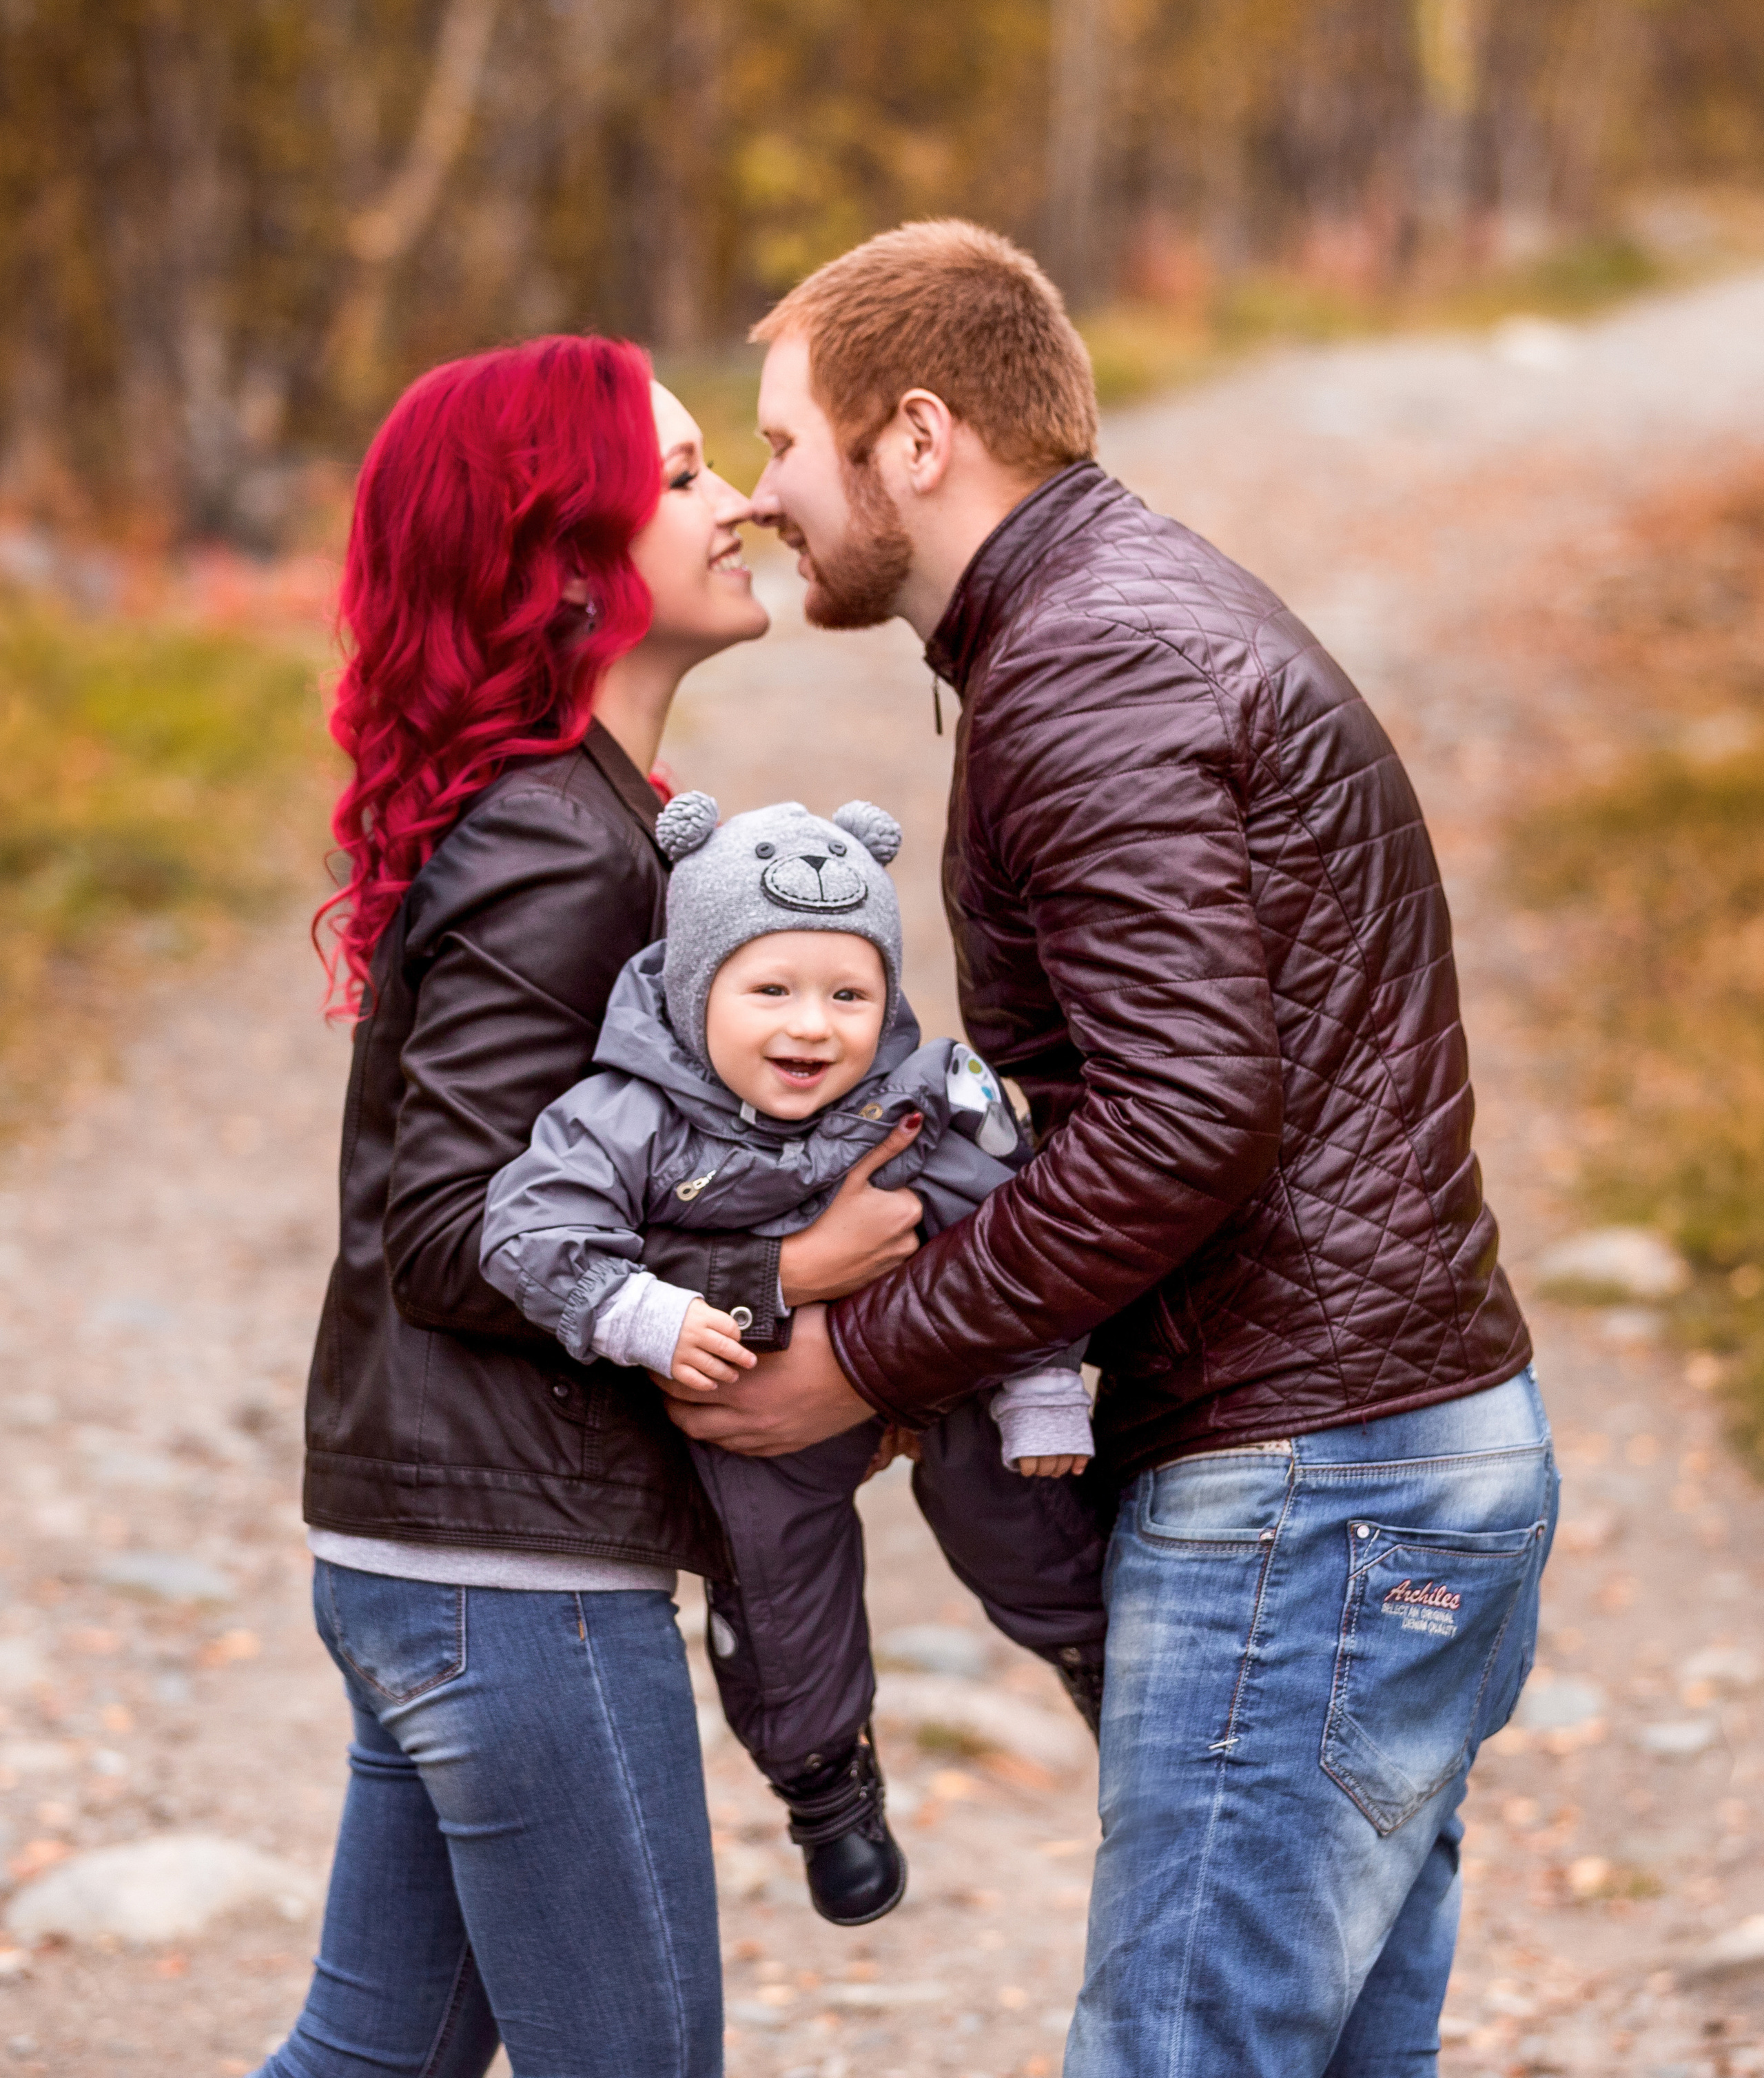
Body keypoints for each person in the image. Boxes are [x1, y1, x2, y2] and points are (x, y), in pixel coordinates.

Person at [664, 221, 1559, 2077]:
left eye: (782, 446)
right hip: (1385, 1450)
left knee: (1184, 2049)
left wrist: (861, 1361)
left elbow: (1181, 1121)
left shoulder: (1094, 668)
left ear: (916, 438)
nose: (764, 502)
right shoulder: (1107, 625)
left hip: (1317, 1479)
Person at [261, 334, 923, 2078]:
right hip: (510, 1567)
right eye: (689, 476)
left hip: (448, 1547)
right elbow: (454, 1224)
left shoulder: (600, 824)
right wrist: (787, 1266)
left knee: (372, 2061)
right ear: (566, 561)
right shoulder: (566, 840)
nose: (740, 509)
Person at [478, 790, 1102, 1925]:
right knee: (769, 1555)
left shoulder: (922, 1097)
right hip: (756, 1387)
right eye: (770, 990)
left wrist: (1043, 1375)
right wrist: (638, 1312)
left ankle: (1087, 1642)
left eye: (849, 994)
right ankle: (824, 1783)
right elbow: (527, 1233)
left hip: (933, 1359)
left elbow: (1019, 1225)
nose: (813, 1028)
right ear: (692, 987)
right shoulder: (628, 1112)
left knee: (1017, 1488)